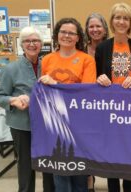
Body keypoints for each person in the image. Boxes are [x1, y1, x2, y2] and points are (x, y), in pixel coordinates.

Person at [40, 17, 96, 192]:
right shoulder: (47, 60)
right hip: (54, 123)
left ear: (78, 38)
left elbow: (86, 91)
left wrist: (56, 85)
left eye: (72, 33)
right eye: (63, 32)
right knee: (60, 173)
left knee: (79, 173)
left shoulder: (86, 60)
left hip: (78, 123)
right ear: (57, 35)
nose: (67, 36)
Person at [0, 26, 55, 192]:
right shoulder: (10, 69)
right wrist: (13, 100)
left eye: (35, 40)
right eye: (27, 41)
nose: (32, 44)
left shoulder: (48, 66)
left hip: (46, 126)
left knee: (49, 165)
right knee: (26, 166)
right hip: (22, 125)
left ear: (41, 44)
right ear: (22, 44)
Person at [95, 2, 131, 192]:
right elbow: (97, 76)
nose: (121, 21)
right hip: (109, 110)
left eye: (125, 18)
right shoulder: (102, 48)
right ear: (112, 21)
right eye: (118, 17)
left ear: (130, 22)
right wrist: (99, 78)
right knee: (112, 155)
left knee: (129, 155)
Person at [84, 12, 109, 192]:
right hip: (86, 106)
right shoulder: (81, 49)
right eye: (91, 26)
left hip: (108, 105)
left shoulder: (114, 46)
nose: (95, 30)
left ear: (105, 28)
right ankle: (89, 182)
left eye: (98, 26)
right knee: (86, 144)